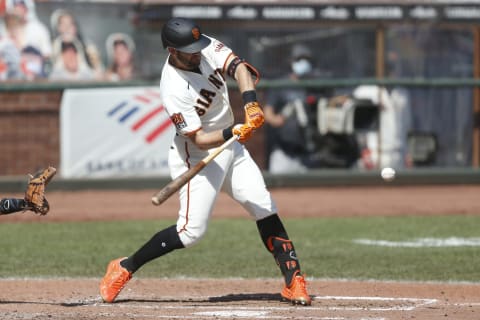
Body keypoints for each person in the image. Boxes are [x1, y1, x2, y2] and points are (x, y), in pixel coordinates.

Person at [99, 17, 311, 306]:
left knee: (263, 205)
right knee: (190, 233)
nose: (198, 51)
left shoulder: (203, 45)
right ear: (173, 51)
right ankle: (125, 266)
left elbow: (241, 69)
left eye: (198, 45)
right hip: (197, 155)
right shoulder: (173, 89)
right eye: (189, 48)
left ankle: (294, 280)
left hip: (232, 147)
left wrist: (250, 103)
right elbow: (198, 139)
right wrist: (232, 130)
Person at [263, 44, 324, 173]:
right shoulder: (280, 85)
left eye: (306, 59)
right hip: (283, 152)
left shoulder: (315, 85)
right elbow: (268, 113)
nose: (303, 63)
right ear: (292, 62)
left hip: (307, 152)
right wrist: (276, 119)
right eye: (299, 59)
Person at [50, 8, 104, 79]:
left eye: (70, 24)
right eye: (63, 24)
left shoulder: (88, 47)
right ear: (58, 27)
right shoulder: (53, 47)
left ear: (75, 27)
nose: (67, 28)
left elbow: (99, 70)